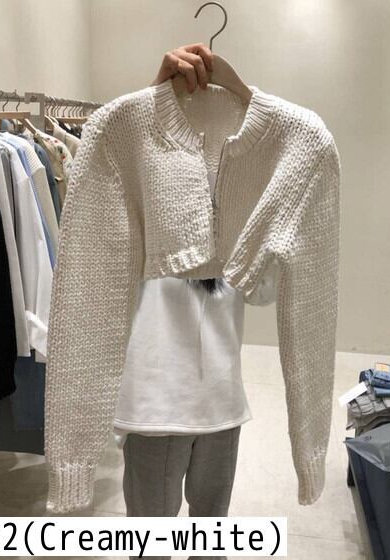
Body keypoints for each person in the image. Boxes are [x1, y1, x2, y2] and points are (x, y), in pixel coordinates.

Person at [113, 44, 251, 560]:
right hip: (160, 399)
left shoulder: (246, 171)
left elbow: (262, 289)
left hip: (218, 397)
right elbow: (110, 258)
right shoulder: (135, 166)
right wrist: (153, 102)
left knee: (204, 539)